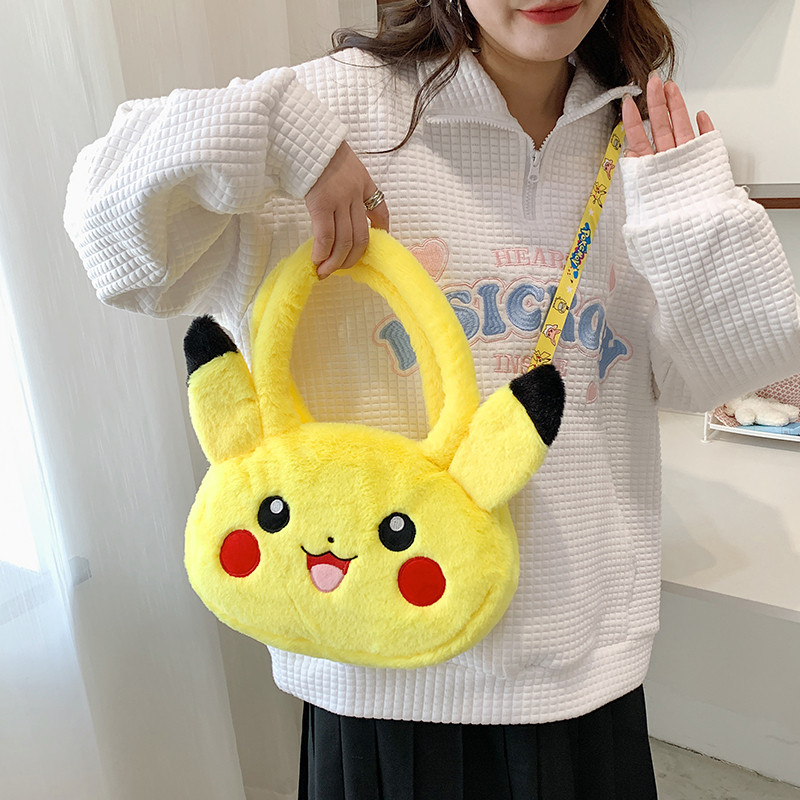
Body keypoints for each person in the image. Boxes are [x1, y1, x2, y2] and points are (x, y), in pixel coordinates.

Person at [63, 0, 800, 797]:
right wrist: (280, 136)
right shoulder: (327, 111)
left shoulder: (639, 136)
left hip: (577, 675)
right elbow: (108, 237)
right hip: (376, 673)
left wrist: (694, 219)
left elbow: (702, 380)